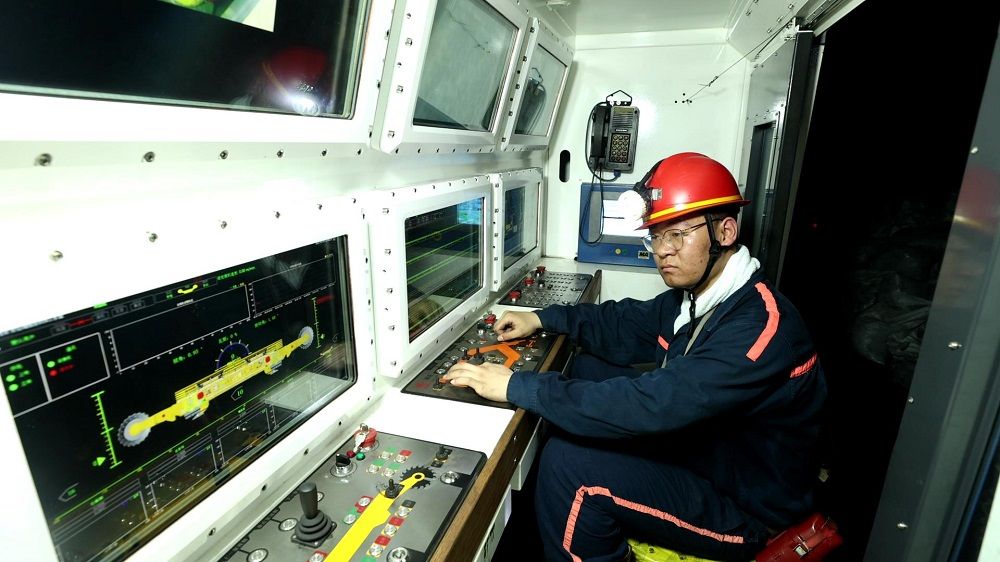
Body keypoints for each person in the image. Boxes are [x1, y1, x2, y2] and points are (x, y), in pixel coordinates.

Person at [443, 152, 828, 562]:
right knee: (584, 367)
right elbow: (624, 323)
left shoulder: (761, 329)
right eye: (656, 237)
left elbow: (652, 404)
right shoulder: (701, 297)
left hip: (743, 510)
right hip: (703, 456)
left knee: (570, 468)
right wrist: (542, 318)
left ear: (725, 231)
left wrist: (517, 385)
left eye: (677, 235)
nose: (663, 251)